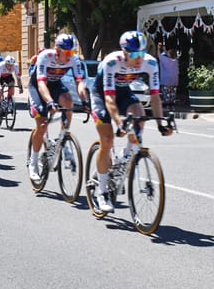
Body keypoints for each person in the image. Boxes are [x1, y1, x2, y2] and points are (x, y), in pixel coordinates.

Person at [90, 30, 173, 213]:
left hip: (124, 93)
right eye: (135, 54)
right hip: (101, 96)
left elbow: (155, 96)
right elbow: (109, 100)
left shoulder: (150, 63)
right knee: (107, 139)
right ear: (125, 52)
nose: (139, 58)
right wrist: (119, 123)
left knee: (139, 115)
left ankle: (123, 157)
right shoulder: (112, 62)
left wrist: (161, 123)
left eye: (142, 53)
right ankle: (102, 192)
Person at [27, 33, 89, 181]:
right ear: (57, 50)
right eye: (66, 52)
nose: (69, 56)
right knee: (42, 126)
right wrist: (49, 102)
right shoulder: (46, 57)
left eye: (72, 52)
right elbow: (41, 83)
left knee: (69, 102)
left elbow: (79, 82)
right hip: (38, 86)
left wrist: (85, 101)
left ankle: (63, 136)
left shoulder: (74, 60)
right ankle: (33, 162)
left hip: (55, 84)